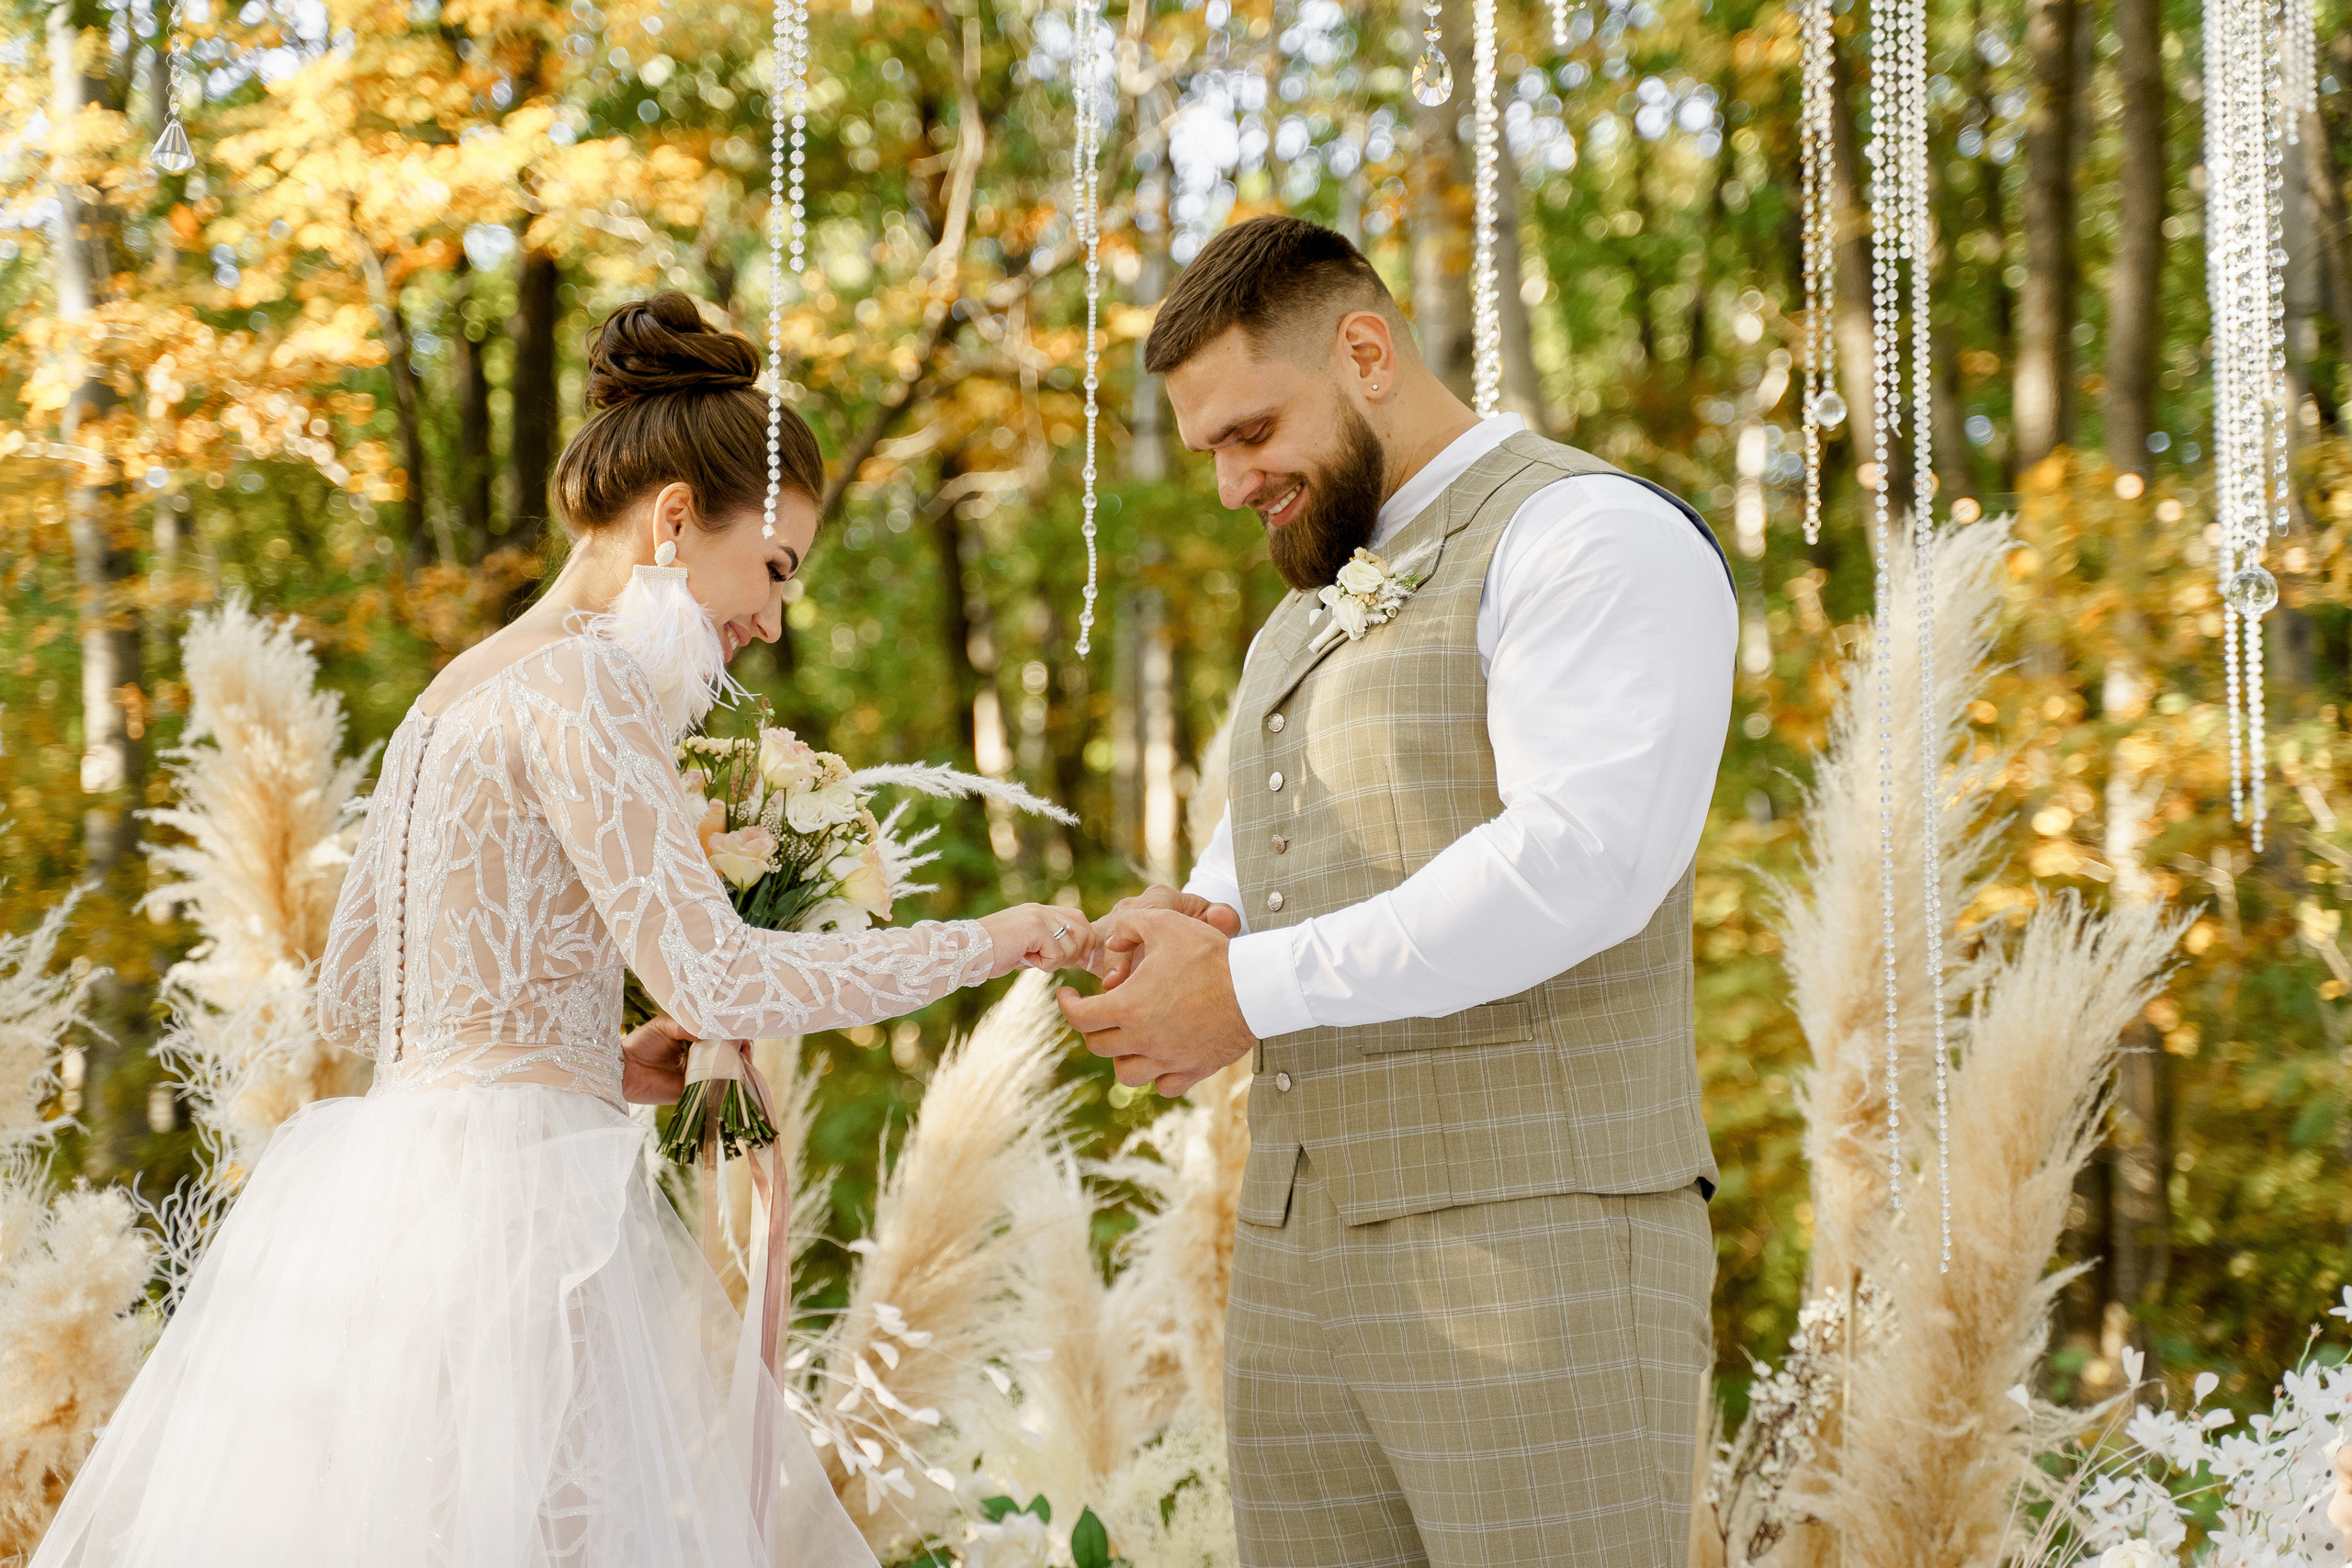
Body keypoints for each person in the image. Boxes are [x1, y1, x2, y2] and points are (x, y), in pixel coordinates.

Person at [34, 292, 1090, 1568]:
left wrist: (578, 1052)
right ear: (675, 520)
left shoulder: (455, 688)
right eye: (774, 569)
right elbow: (719, 973)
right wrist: (997, 938)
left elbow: (359, 1000)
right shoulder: (586, 680)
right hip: (524, 1225)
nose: (769, 620)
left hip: (379, 1204)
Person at [1059, 216, 1735, 1568]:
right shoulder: (1305, 608)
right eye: (1209, 452)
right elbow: (1280, 859)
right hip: (1304, 1269)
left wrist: (1244, 988)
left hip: (1541, 1258)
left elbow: (1583, 860)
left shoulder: (1586, 535)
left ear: (1366, 350)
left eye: (1253, 431)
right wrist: (1194, 926)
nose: (1232, 481)